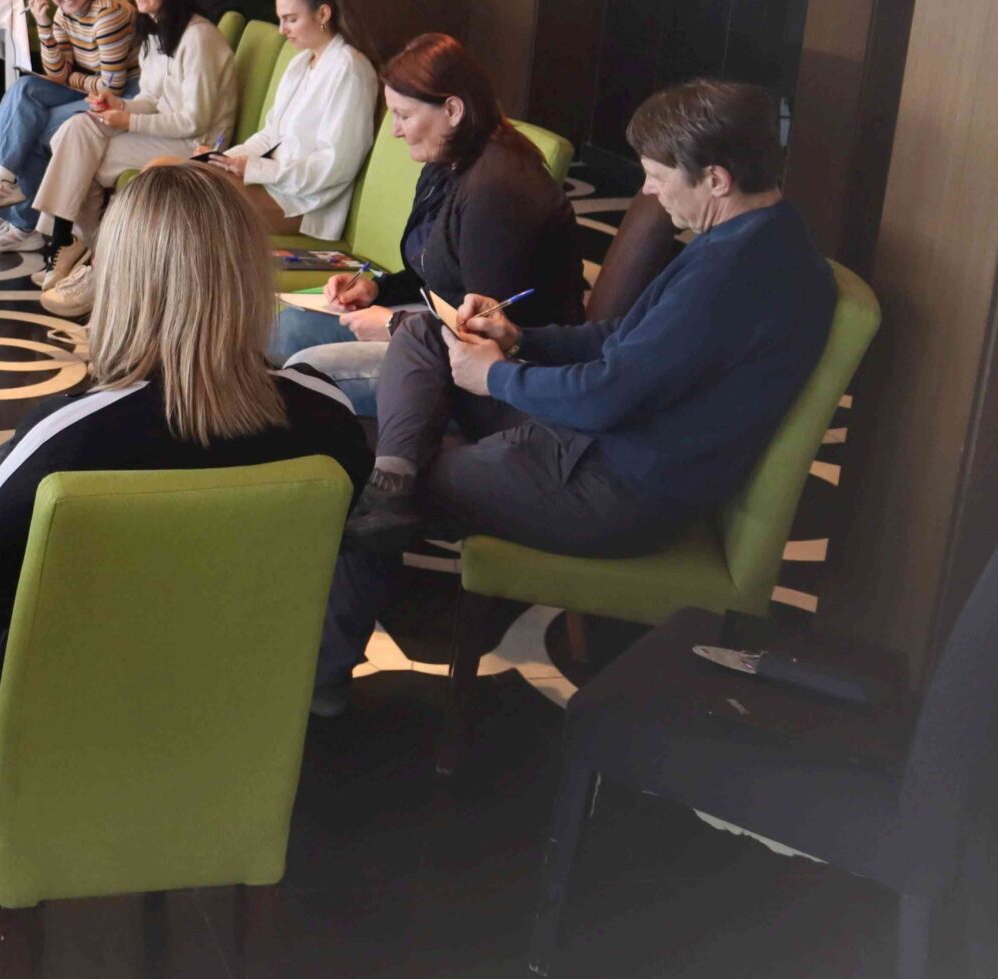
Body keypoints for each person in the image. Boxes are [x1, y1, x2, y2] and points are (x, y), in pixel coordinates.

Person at [318, 79, 837, 711]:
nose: (648, 191)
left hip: (610, 485)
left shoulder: (736, 273)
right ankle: (396, 479)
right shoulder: (755, 239)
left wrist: (495, 377)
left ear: (717, 180)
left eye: (657, 176)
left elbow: (608, 395)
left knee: (366, 483)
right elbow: (621, 340)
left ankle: (323, 670)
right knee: (428, 332)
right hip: (591, 443)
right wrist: (518, 338)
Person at [0, 162, 372, 727]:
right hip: (244, 700)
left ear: (122, 279)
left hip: (55, 707)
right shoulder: (329, 415)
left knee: (26, 459)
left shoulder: (67, 437)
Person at [268, 34, 587, 414]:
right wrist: (376, 289)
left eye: (404, 116)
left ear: (452, 110)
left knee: (311, 372)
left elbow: (487, 330)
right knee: (286, 328)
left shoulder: (497, 190)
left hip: (495, 368)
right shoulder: (445, 162)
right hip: (435, 324)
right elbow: (435, 272)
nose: (395, 131)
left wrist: (393, 324)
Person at [18, 0, 238, 315]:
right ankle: (73, 243)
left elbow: (194, 121)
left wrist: (128, 122)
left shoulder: (199, 38)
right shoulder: (155, 32)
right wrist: (117, 105)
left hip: (196, 145)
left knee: (83, 155)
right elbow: (150, 98)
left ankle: (79, 252)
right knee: (78, 128)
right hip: (165, 132)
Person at [0, 0, 139, 240]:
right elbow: (58, 74)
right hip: (91, 86)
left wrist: (74, 79)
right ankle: (4, 177)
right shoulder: (61, 13)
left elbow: (113, 86)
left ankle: (23, 226)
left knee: (31, 129)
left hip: (122, 98)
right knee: (24, 88)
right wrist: (44, 25)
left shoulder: (109, 14)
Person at [214, 0, 378, 237]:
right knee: (176, 172)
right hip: (273, 184)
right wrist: (223, 159)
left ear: (323, 14)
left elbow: (333, 166)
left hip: (306, 206)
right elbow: (270, 135)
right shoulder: (300, 63)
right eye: (281, 20)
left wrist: (257, 169)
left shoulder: (349, 69)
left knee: (190, 196)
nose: (282, 30)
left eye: (291, 19)